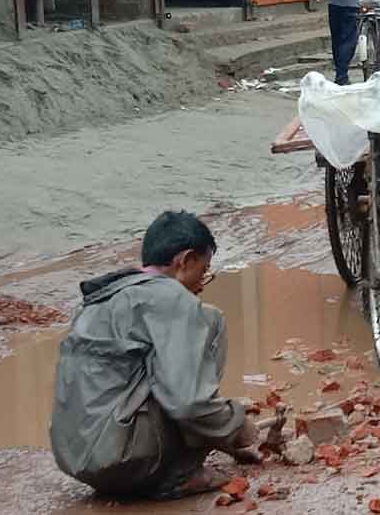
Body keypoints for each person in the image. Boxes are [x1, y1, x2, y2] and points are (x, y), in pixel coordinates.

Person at [50, 211, 258, 500]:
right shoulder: (172, 298)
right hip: (124, 457)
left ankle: (142, 471)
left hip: (74, 458)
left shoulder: (101, 301)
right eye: (203, 271)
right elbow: (188, 402)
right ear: (184, 261)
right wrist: (238, 428)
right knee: (210, 321)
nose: (201, 285)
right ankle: (181, 474)